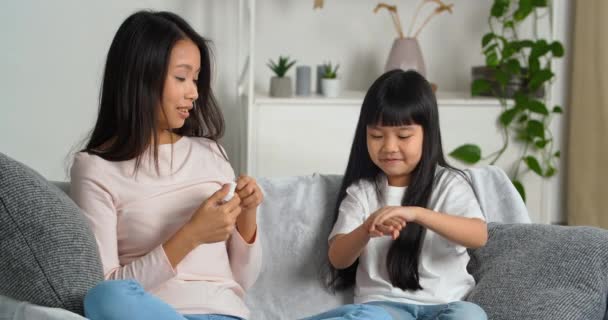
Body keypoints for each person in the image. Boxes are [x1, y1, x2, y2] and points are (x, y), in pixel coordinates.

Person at [69, 10, 262, 320]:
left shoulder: (211, 153)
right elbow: (107, 287)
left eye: (196, 79)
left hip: (225, 313)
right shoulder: (94, 168)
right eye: (181, 77)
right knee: (104, 298)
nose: (194, 93)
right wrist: (191, 235)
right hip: (156, 313)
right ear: (140, 76)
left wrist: (248, 216)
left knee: (365, 313)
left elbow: (243, 281)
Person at [303, 69, 488, 320]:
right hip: (382, 308)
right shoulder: (363, 192)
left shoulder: (448, 183)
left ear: (427, 134)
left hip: (445, 306)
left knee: (470, 315)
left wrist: (417, 214)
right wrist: (366, 230)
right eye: (376, 136)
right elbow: (338, 258)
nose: (389, 147)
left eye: (403, 136)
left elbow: (478, 235)